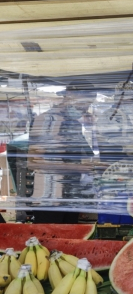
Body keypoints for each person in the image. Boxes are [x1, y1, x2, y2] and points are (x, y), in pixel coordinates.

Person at [28, 80, 98, 224]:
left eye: (89, 104)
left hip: (70, 197)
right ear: (70, 96)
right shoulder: (47, 120)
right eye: (84, 103)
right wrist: (78, 168)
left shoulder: (74, 124)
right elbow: (34, 162)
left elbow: (79, 156)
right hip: (50, 198)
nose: (86, 108)